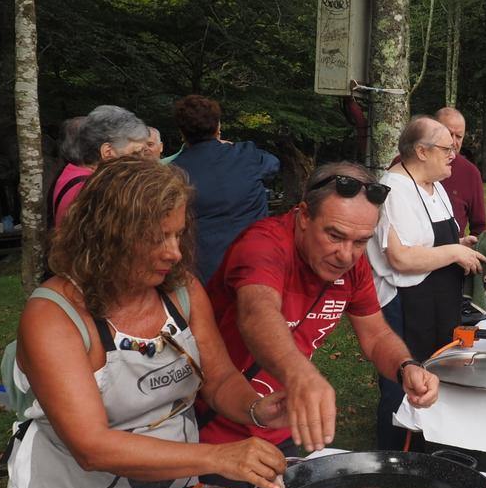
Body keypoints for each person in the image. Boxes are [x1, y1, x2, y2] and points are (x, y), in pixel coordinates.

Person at [6, 156, 289, 488]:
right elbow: (91, 447)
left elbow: (219, 380)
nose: (174, 252)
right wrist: (220, 458)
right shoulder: (54, 316)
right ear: (108, 235)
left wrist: (258, 409)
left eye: (178, 235)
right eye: (157, 237)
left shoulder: (181, 291)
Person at [201, 161, 441, 464]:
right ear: (303, 216)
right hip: (215, 424)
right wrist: (301, 375)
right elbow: (257, 312)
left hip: (280, 420)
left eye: (361, 241)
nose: (346, 255)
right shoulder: (263, 244)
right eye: (335, 236)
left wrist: (406, 366)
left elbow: (376, 335)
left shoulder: (353, 264)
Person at [367, 117, 486, 449]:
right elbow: (400, 258)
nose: (454, 154)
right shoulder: (393, 190)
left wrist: (459, 245)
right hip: (405, 306)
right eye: (447, 148)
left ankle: (430, 445)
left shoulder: (436, 186)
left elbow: (429, 242)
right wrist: (452, 251)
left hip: (438, 302)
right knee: (403, 383)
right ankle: (395, 455)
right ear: (421, 151)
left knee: (435, 373)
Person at [171, 94, 281, 282]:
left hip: (201, 275)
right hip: (256, 267)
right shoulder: (246, 155)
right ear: (218, 127)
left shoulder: (173, 174)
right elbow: (274, 164)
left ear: (182, 133)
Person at [51, 105, 150, 227]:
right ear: (107, 152)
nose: (142, 161)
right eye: (135, 153)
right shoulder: (97, 190)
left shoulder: (72, 172)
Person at [435, 107, 486, 236]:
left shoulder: (470, 173)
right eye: (449, 134)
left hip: (455, 247)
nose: (453, 142)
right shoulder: (407, 165)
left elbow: (479, 228)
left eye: (458, 136)